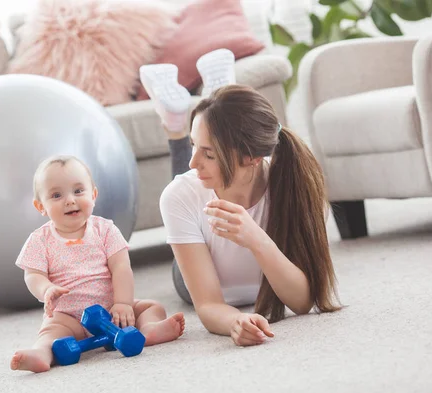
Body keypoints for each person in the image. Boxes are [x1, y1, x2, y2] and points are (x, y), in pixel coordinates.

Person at [140, 48, 341, 347]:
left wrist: (255, 238)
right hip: (197, 262)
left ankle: (214, 102)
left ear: (252, 158)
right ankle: (178, 122)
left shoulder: (294, 183)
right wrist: (236, 321)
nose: (194, 162)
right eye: (195, 146)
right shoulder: (180, 195)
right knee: (184, 184)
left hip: (257, 233)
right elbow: (207, 306)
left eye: (208, 152)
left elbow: (302, 302)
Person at [10, 155, 185, 373]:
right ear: (40, 206)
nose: (70, 200)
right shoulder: (39, 240)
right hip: (68, 316)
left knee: (151, 307)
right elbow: (32, 275)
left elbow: (121, 267)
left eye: (78, 191)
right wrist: (46, 288)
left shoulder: (106, 230)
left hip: (112, 310)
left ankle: (149, 330)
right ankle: (41, 353)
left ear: (93, 195)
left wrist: (123, 303)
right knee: (50, 332)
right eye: (56, 195)